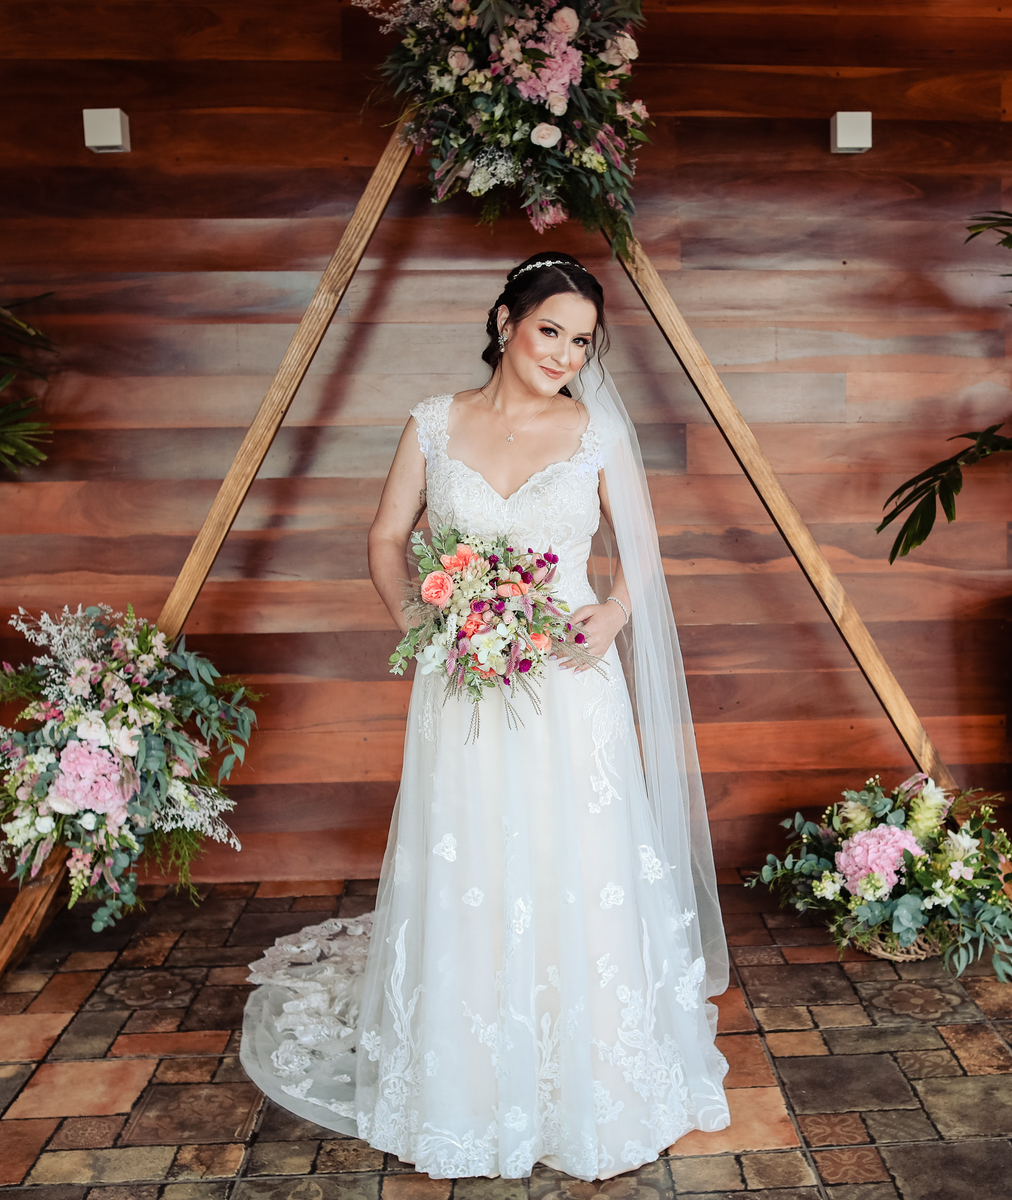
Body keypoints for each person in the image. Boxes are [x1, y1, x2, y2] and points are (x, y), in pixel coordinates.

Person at [241, 253, 730, 1181]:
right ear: (506, 321)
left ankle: (584, 1078)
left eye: (582, 341)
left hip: (568, 686)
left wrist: (614, 613)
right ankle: (465, 1077)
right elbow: (387, 538)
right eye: (551, 330)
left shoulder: (596, 436)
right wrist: (419, 619)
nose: (565, 354)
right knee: (469, 858)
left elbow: (641, 555)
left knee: (570, 863)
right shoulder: (435, 422)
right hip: (460, 684)